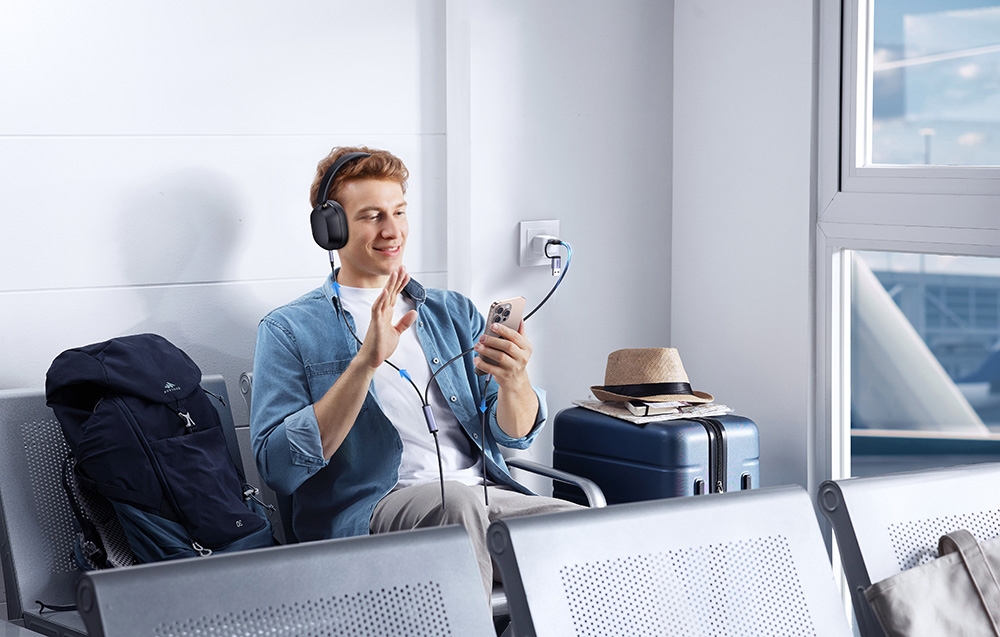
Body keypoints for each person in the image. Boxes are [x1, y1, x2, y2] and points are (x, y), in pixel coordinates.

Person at [250, 146, 579, 596]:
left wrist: (514, 381)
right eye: (372, 216)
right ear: (332, 228)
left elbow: (514, 435)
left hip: (484, 495)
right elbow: (279, 469)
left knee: (585, 533)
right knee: (456, 506)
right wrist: (364, 363)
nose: (392, 230)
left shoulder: (451, 312)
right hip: (372, 510)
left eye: (399, 212)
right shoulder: (289, 330)